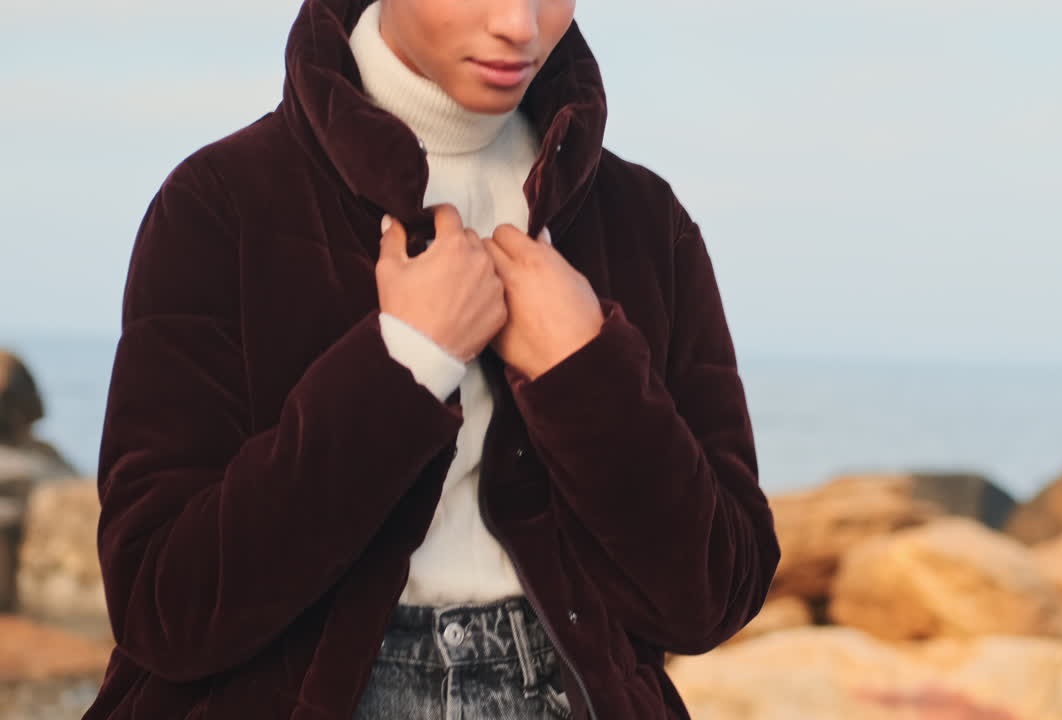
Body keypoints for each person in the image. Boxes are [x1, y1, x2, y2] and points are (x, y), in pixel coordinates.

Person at [84, 0, 779, 718]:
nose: (521, 25)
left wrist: (588, 375)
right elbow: (160, 607)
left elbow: (716, 596)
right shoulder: (220, 204)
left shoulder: (643, 219)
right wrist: (407, 363)